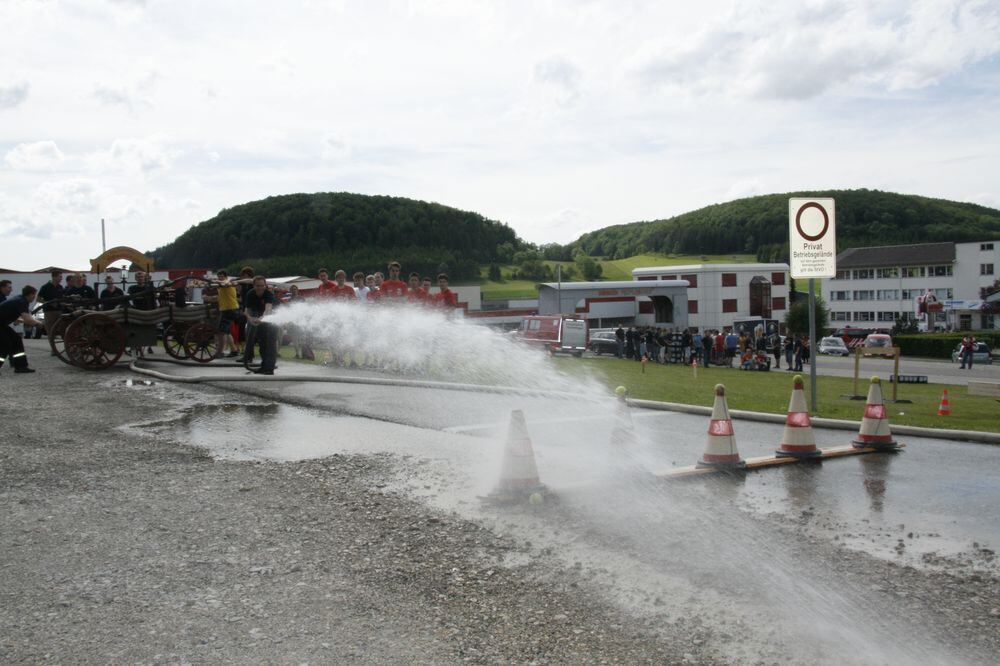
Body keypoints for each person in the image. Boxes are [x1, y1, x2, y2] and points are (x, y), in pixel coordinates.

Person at [0, 285, 44, 374]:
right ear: (29, 294)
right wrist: (42, 326)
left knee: (16, 340)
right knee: (5, 345)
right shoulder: (21, 301)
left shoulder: (21, 300)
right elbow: (28, 320)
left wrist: (20, 320)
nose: (35, 297)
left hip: (2, 324)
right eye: (34, 295)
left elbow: (18, 315)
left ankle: (21, 366)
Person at [243, 275, 278, 375]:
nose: (260, 288)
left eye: (262, 285)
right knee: (262, 344)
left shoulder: (268, 294)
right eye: (258, 286)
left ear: (265, 285)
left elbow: (268, 310)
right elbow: (247, 310)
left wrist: (261, 319)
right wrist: (250, 319)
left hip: (272, 319)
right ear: (253, 286)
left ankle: (269, 369)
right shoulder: (250, 294)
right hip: (259, 319)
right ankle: (264, 366)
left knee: (270, 344)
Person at [209, 270, 243, 359]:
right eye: (219, 276)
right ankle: (234, 350)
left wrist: (215, 281)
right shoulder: (220, 285)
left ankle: (220, 352)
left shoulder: (227, 282)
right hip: (227, 309)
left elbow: (225, 282)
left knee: (221, 332)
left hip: (229, 309)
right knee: (227, 332)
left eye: (222, 276)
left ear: (225, 276)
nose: (220, 278)